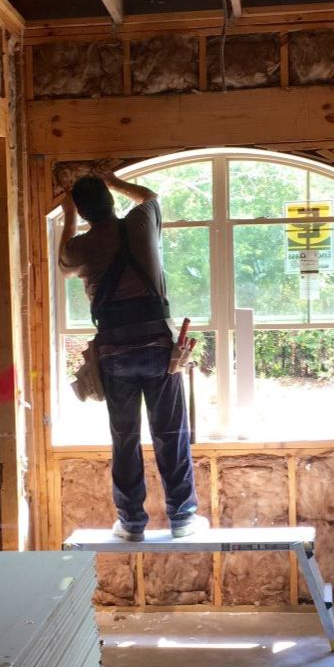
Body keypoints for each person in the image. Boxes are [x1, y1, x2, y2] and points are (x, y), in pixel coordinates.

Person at [58, 172, 207, 541]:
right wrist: (113, 179)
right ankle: (182, 517)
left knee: (124, 438)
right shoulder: (140, 222)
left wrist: (67, 213)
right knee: (170, 433)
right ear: (110, 200)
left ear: (83, 211)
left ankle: (131, 522)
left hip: (114, 354)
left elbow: (63, 264)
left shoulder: (82, 247)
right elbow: (149, 195)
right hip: (159, 350)